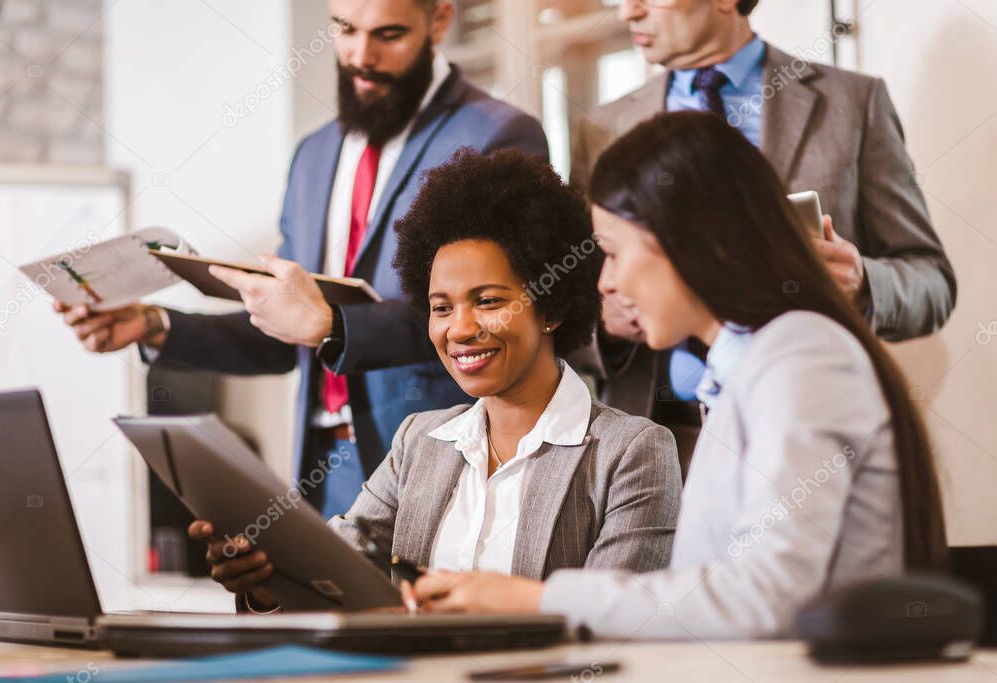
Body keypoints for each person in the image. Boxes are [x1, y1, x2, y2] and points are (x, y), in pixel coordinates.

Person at [406, 113, 948, 640]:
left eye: (614, 255)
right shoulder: (745, 376)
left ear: (692, 240)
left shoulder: (800, 355)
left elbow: (769, 598)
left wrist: (533, 600)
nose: (608, 284)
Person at [54, 0, 548, 517]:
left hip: (447, 467)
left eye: (389, 34)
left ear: (440, 21)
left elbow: (500, 316)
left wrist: (332, 324)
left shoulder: (497, 136)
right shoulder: (314, 155)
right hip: (323, 469)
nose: (361, 55)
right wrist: (152, 326)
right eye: (345, 29)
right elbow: (284, 335)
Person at [188, 148, 682, 613]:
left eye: (487, 301)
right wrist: (265, 574)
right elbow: (334, 576)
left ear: (551, 307)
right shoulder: (418, 441)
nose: (460, 329)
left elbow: (616, 624)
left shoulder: (631, 451)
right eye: (441, 308)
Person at [570, 0, 956, 471]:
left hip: (803, 430)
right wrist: (603, 323)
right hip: (653, 440)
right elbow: (570, 288)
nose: (628, 12)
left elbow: (931, 281)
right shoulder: (601, 128)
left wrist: (863, 283)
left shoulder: (852, 104)